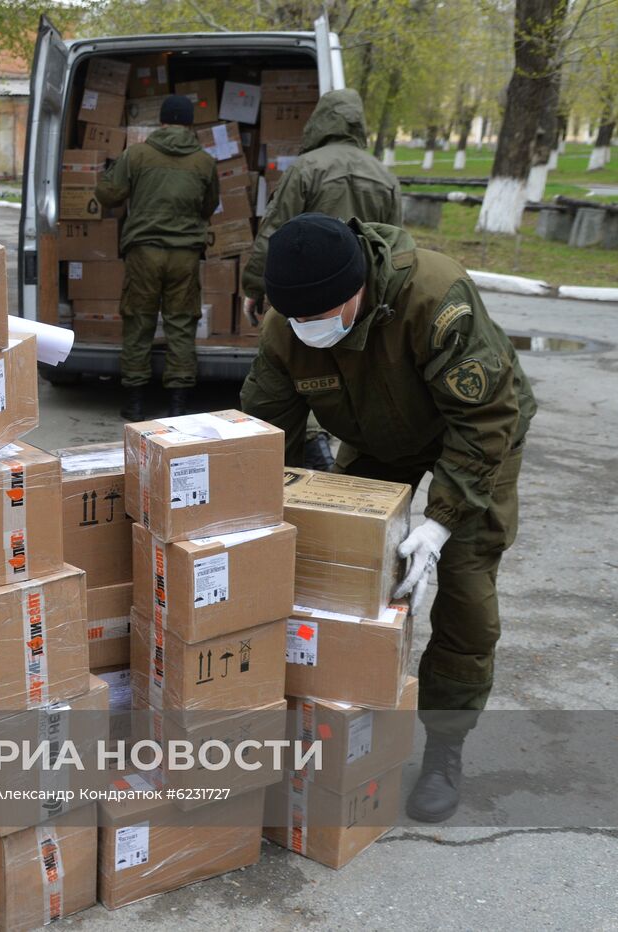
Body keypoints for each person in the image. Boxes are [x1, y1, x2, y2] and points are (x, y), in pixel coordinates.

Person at [240, 213, 535, 823]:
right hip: (377, 440)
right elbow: (265, 432)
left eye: (320, 317)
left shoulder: (434, 296)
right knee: (340, 568)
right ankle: (334, 725)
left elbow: (484, 422)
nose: (307, 330)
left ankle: (445, 747)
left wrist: (440, 522)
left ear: (357, 292)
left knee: (466, 592)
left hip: (477, 434)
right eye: (297, 319)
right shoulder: (289, 328)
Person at [240, 88, 402, 470]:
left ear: (320, 121)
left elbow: (275, 234)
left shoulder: (306, 167)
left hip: (308, 293)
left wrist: (254, 287)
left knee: (300, 368)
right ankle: (344, 456)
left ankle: (307, 450)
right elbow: (393, 242)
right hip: (361, 300)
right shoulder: (384, 174)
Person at [94, 94, 218, 421]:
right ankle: (178, 402)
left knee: (139, 321)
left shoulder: (136, 155)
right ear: (190, 123)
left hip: (144, 252)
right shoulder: (204, 162)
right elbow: (209, 207)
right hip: (185, 256)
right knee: (181, 324)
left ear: (161, 121)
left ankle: (134, 402)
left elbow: (108, 194)